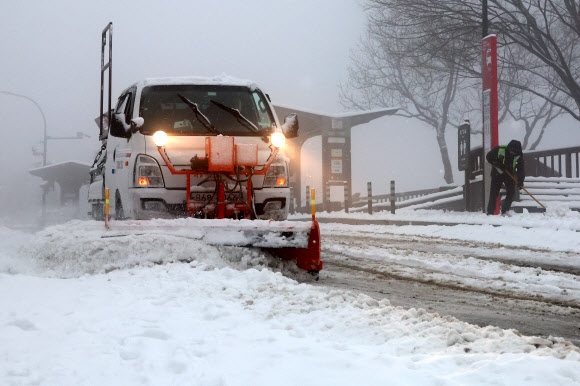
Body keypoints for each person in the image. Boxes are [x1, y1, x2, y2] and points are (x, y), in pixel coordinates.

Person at [486, 139, 526, 215]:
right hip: (498, 173)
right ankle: (490, 212)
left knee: (511, 192)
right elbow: (488, 156)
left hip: (509, 175)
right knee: (494, 193)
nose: (512, 153)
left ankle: (505, 211)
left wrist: (520, 180)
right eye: (511, 150)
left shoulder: (519, 155)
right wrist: (496, 163)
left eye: (514, 152)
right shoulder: (500, 149)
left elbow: (521, 169)